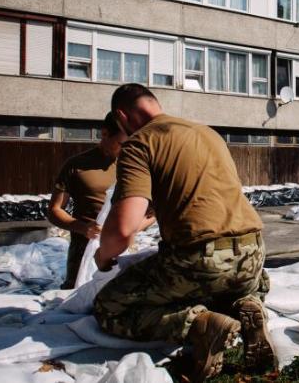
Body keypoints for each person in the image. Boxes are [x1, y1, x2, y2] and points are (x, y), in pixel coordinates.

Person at [93, 84, 274, 382]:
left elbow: (123, 230)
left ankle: (200, 325)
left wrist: (103, 255)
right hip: (253, 254)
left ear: (121, 117)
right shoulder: (207, 133)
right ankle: (246, 304)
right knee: (219, 284)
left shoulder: (140, 144)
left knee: (108, 307)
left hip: (200, 260)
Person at [47, 112, 134, 289]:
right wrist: (83, 228)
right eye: (121, 144)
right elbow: (55, 210)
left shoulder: (133, 166)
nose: (125, 149)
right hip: (84, 253)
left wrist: (131, 228)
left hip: (122, 252)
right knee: (77, 307)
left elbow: (151, 212)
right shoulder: (76, 166)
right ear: (104, 134)